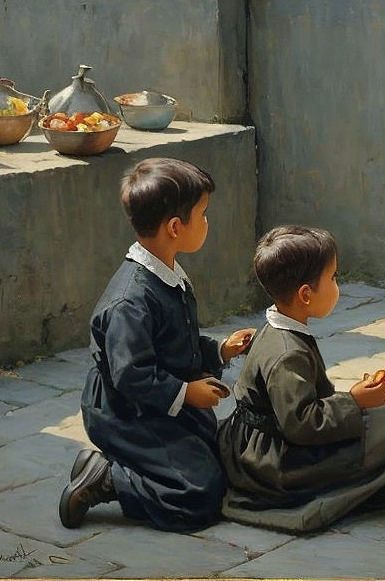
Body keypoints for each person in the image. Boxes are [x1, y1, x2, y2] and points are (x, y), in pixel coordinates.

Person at [60, 158, 256, 531]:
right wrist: (186, 392)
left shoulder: (168, 275)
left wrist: (221, 350)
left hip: (161, 403)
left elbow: (174, 341)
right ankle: (106, 478)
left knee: (223, 462)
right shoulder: (130, 301)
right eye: (203, 214)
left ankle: (126, 469)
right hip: (125, 413)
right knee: (200, 493)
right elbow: (131, 374)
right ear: (175, 227)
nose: (207, 222)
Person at [216, 225, 385, 533]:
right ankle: (347, 495)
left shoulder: (280, 330)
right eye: (333, 278)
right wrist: (354, 401)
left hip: (255, 449)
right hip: (272, 466)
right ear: (306, 294)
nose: (337, 286)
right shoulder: (286, 353)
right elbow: (301, 423)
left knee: (379, 419)